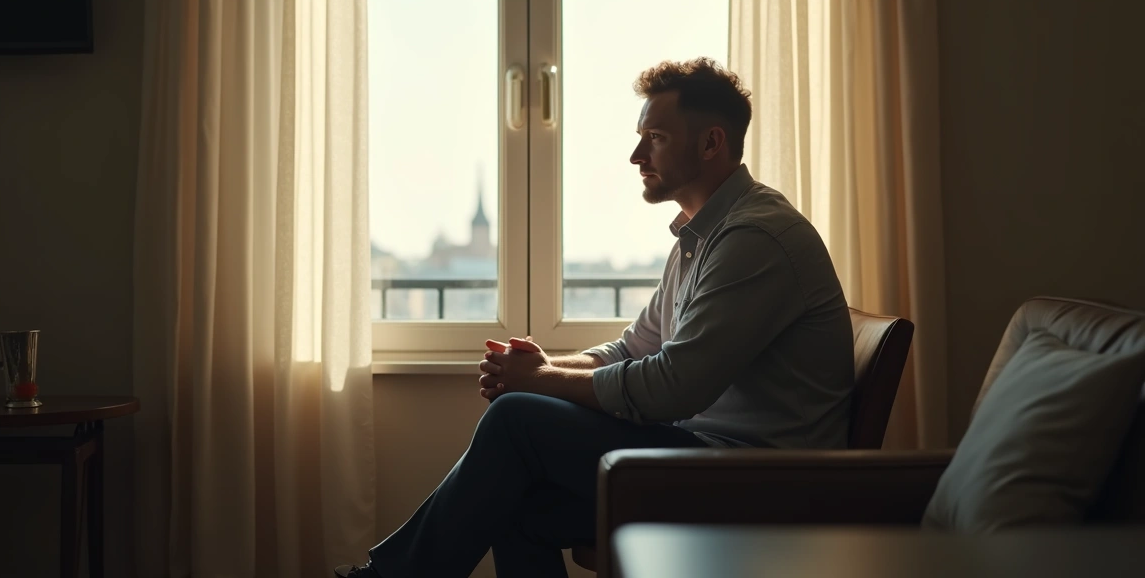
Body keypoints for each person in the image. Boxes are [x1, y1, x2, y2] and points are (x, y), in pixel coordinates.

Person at [336, 57, 854, 578]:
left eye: (655, 137)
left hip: (762, 483)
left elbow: (673, 388)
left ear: (711, 143)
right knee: (507, 497)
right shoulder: (701, 237)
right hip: (705, 462)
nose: (635, 155)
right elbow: (635, 349)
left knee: (515, 419)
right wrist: (543, 368)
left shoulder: (754, 239)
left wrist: (539, 381)